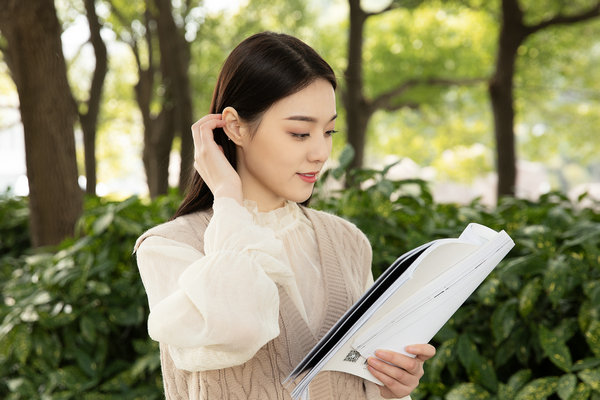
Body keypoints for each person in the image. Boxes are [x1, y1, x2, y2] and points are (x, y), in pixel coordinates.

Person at [134, 31, 435, 400]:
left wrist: (391, 387)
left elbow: (358, 384)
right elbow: (235, 326)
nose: (321, 152)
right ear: (235, 126)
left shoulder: (349, 242)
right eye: (299, 133)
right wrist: (228, 197)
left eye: (328, 131)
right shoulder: (170, 248)